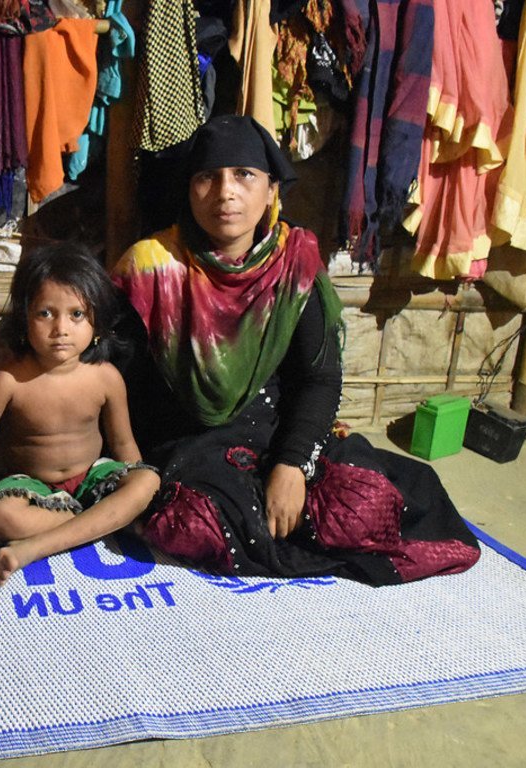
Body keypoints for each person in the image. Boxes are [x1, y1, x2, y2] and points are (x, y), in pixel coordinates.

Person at [111, 115, 480, 585]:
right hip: (187, 442)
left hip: (277, 431)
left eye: (244, 175)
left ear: (270, 190)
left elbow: (319, 377)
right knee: (192, 526)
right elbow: (116, 379)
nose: (226, 191)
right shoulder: (151, 267)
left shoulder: (295, 263)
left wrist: (292, 466)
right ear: (188, 189)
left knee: (365, 507)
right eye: (207, 176)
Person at [0, 243, 160, 587]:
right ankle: (101, 523)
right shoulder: (9, 380)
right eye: (45, 314)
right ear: (24, 318)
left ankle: (35, 548)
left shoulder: (105, 377)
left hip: (92, 480)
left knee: (149, 482)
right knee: (3, 516)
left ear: (97, 322)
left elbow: (123, 443)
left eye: (76, 314)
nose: (61, 328)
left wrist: (134, 483)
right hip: (31, 487)